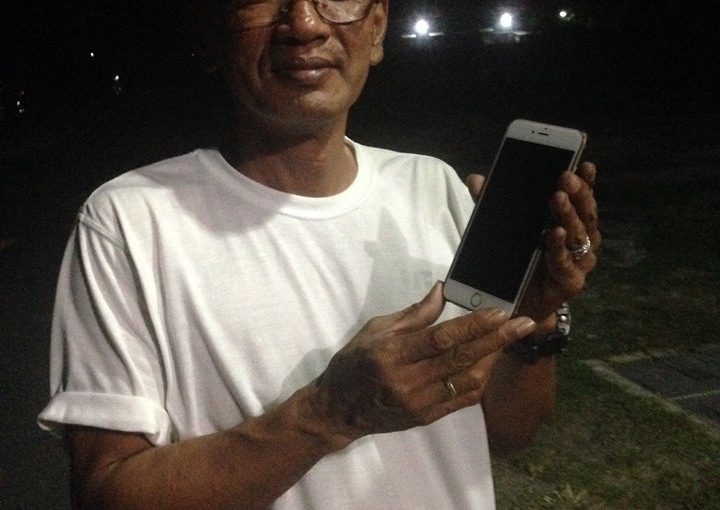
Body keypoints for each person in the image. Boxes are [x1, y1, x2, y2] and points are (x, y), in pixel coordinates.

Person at [38, 1, 600, 509]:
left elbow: (507, 433)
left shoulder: (433, 187)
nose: (304, 25)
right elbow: (105, 490)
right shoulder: (129, 221)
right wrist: (328, 413)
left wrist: (535, 321)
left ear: (377, 26)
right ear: (211, 37)